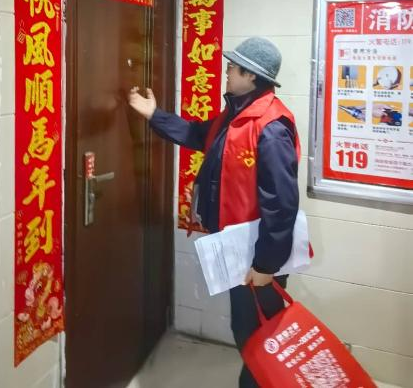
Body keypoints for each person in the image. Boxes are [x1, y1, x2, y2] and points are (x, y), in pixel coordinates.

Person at [128, 37, 300, 388]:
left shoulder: (270, 126)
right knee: (250, 328)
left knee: (257, 332)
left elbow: (282, 205)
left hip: (257, 254)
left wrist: (265, 266)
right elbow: (196, 134)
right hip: (239, 246)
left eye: (232, 67)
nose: (226, 72)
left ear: (251, 76)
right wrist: (154, 115)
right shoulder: (235, 116)